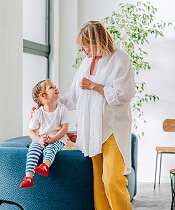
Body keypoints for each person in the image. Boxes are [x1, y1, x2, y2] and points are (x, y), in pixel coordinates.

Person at [59, 20, 135, 210]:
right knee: (99, 186)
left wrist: (95, 86)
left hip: (112, 130)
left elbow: (124, 94)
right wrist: (46, 105)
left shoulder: (120, 59)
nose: (83, 50)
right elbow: (73, 98)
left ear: (98, 41)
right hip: (92, 131)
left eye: (86, 45)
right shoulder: (86, 63)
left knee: (112, 181)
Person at [20, 79, 69, 188]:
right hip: (41, 139)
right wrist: (39, 140)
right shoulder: (38, 112)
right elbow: (31, 131)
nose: (56, 88)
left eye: (54, 86)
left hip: (57, 139)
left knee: (50, 149)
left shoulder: (62, 109)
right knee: (32, 150)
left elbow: (64, 128)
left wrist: (53, 139)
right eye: (51, 87)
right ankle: (28, 177)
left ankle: (45, 165)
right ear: (43, 96)